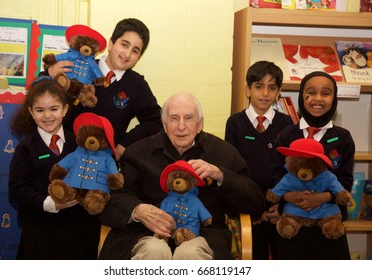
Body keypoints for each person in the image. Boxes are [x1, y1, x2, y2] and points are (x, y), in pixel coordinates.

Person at [98, 92, 265, 260]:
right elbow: (111, 198)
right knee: (154, 251)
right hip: (145, 234)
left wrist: (221, 176)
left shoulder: (223, 153)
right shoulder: (138, 152)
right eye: (174, 118)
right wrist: (137, 210)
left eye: (189, 118)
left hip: (203, 236)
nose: (181, 126)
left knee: (189, 254)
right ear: (164, 124)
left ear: (200, 124)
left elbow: (255, 203)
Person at [8, 76, 100, 259]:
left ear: (65, 109)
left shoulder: (80, 144)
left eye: (54, 109)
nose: (47, 115)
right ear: (31, 112)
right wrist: (48, 203)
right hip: (39, 230)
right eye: (40, 110)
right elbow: (17, 188)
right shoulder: (26, 148)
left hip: (78, 230)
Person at [45, 18, 162, 161]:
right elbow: (41, 95)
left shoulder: (136, 84)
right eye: (124, 45)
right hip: (64, 155)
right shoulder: (81, 66)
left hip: (103, 163)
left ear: (138, 57)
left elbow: (155, 120)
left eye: (135, 51)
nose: (127, 54)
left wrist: (126, 142)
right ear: (111, 44)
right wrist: (48, 73)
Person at [274, 71, 355, 259]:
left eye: (326, 93)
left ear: (334, 99)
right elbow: (277, 175)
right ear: (302, 96)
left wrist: (322, 197)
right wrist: (290, 195)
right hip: (293, 224)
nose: (318, 99)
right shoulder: (287, 135)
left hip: (328, 226)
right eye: (311, 92)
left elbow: (345, 181)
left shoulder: (343, 137)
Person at [225, 61, 294, 259]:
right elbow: (232, 170)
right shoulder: (235, 123)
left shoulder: (287, 124)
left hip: (279, 210)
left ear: (278, 92)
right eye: (259, 86)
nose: (265, 93)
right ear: (247, 90)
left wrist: (279, 206)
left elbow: (289, 169)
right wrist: (251, 208)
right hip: (249, 211)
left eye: (271, 88)